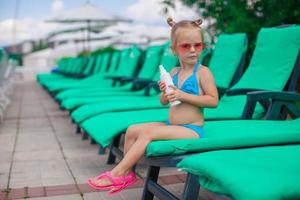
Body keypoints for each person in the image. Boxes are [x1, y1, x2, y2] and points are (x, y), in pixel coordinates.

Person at [87, 17, 219, 195]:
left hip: (192, 129)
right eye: (186, 46)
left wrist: (182, 95)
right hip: (172, 124)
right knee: (132, 129)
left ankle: (118, 172)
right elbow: (164, 102)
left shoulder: (203, 73)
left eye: (198, 45)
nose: (193, 50)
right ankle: (129, 174)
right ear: (174, 50)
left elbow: (213, 101)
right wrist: (165, 93)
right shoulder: (174, 72)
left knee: (148, 133)